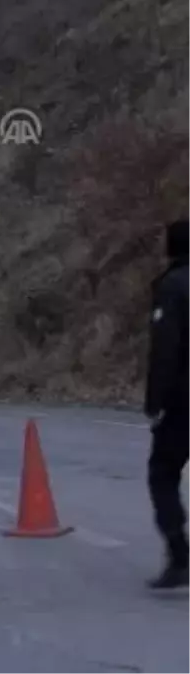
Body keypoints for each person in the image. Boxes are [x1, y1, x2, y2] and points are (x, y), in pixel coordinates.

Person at [144, 219, 190, 589]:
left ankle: (179, 554)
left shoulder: (173, 286)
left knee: (163, 472)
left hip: (183, 400)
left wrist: (154, 402)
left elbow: (165, 350)